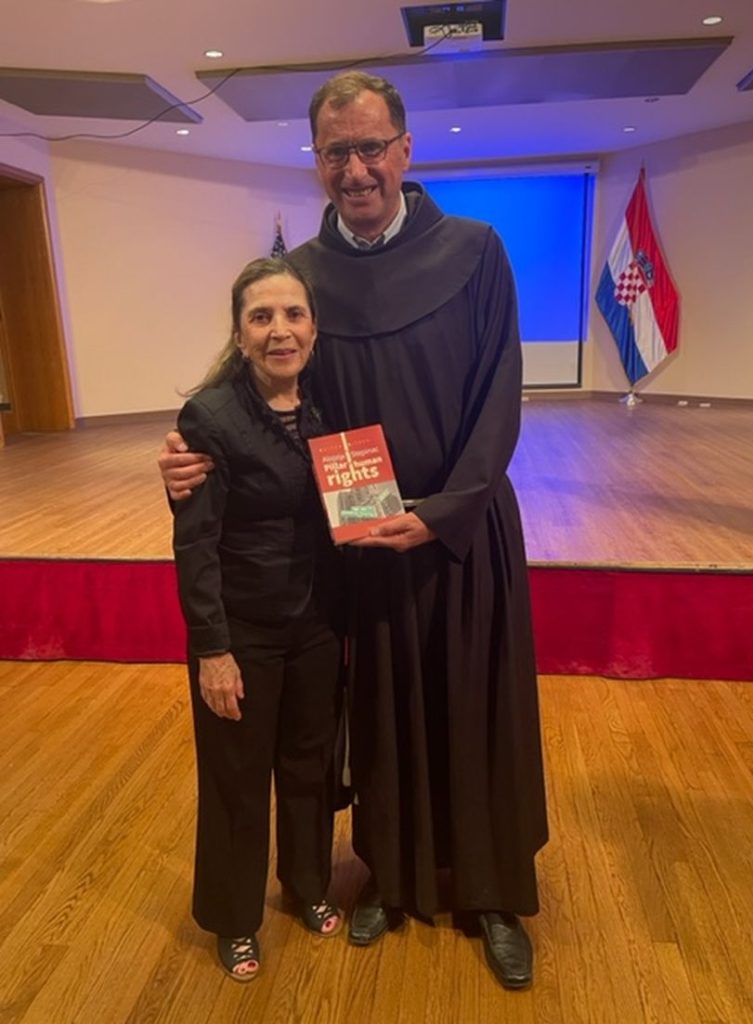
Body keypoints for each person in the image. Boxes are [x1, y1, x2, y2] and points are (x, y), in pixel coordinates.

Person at [160, 71, 548, 990]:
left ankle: (491, 893)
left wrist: (443, 513)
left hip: (460, 535)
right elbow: (260, 390)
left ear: (405, 150)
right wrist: (186, 454)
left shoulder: (475, 250)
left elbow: (500, 393)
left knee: (472, 711)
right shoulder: (309, 278)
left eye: (372, 147)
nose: (357, 168)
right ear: (318, 161)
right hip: (363, 546)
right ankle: (392, 877)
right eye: (338, 152)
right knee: (382, 719)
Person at [172, 257, 344, 982]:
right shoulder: (210, 416)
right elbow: (195, 544)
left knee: (309, 767)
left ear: (314, 327)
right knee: (237, 781)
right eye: (262, 317)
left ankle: (307, 884)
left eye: (294, 315)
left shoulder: (332, 404)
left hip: (318, 625)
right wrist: (212, 650)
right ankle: (234, 918)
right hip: (241, 632)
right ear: (240, 334)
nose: (281, 331)